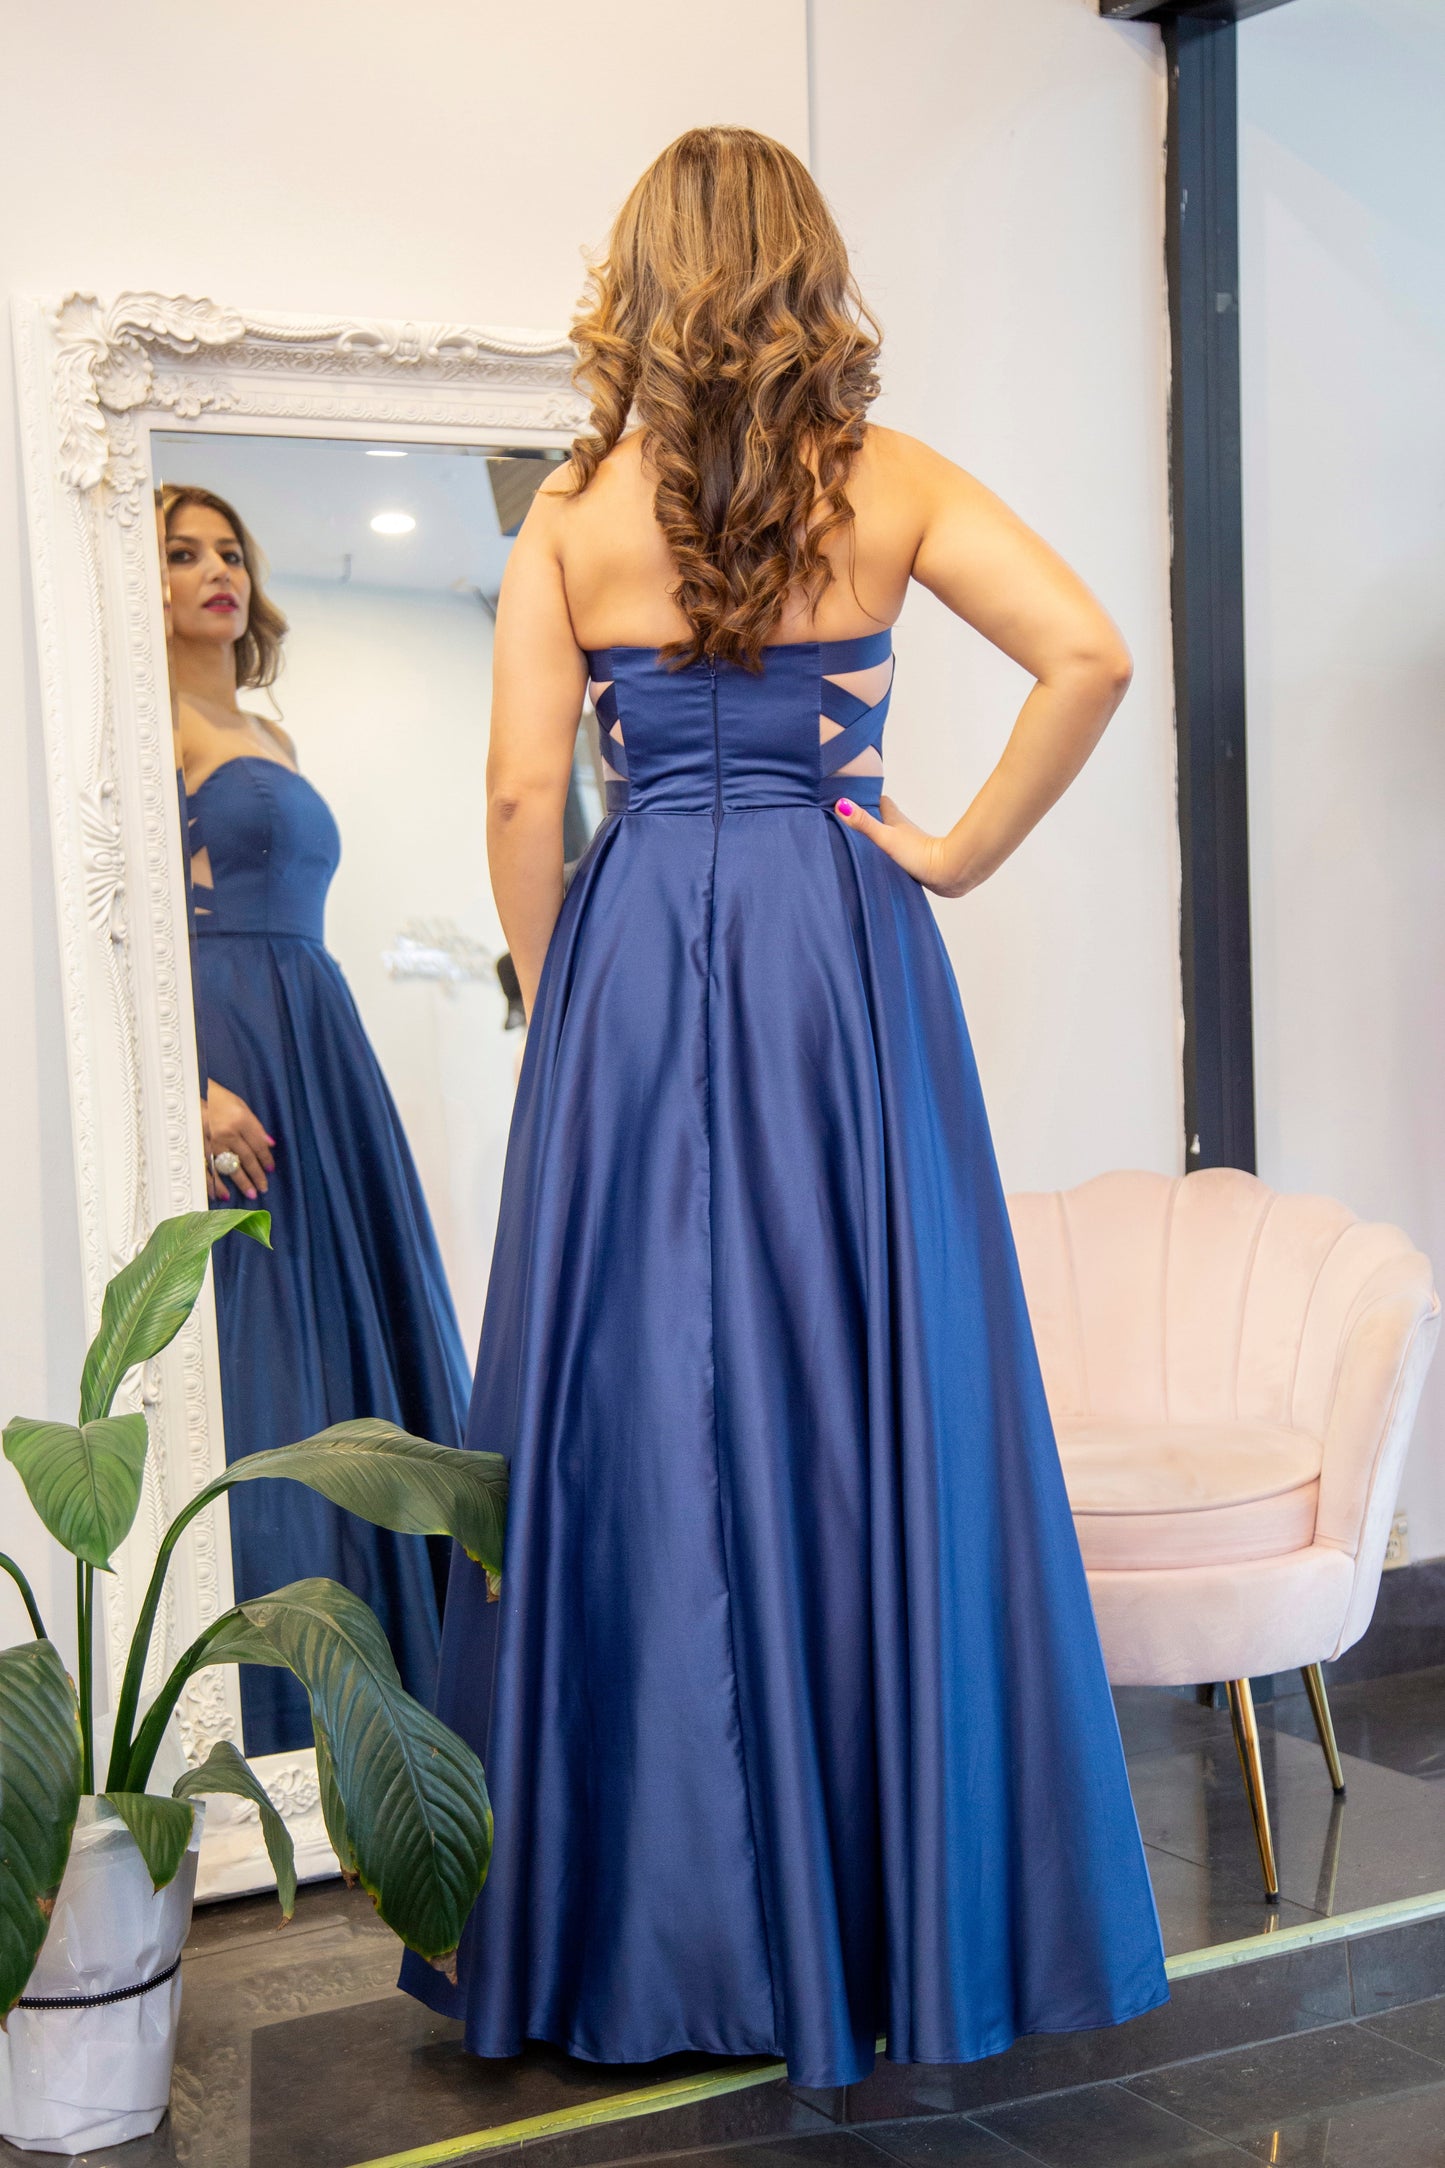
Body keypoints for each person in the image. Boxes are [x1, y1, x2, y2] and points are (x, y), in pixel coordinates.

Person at [400, 127, 1168, 2087]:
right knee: (861, 1385)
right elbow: (1084, 650)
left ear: (639, 279)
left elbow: (513, 798)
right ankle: (878, 1904)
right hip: (839, 938)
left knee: (629, 1393)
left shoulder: (569, 510)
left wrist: (555, 983)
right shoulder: (884, 481)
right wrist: (959, 851)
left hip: (640, 942)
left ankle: (627, 1929)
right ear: (805, 275)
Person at [162, 483, 471, 1756]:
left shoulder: (267, 729)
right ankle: (292, 1717)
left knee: (358, 1338)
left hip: (318, 1032)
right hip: (234, 1035)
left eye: (230, 550)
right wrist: (185, 1085)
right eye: (179, 555)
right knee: (269, 1357)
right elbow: (123, 921)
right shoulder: (145, 722)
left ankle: (420, 1693)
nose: (214, 571)